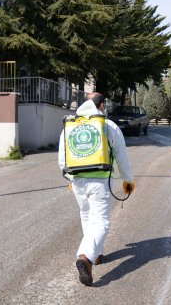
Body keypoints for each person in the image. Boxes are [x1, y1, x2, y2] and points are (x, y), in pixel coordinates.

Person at [58, 92, 135, 286]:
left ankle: (97, 254)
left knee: (86, 216)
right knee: (101, 221)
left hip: (77, 180)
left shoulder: (70, 125)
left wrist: (68, 177)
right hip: (99, 180)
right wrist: (128, 180)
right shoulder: (108, 125)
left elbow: (62, 158)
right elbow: (121, 156)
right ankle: (86, 257)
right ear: (101, 107)